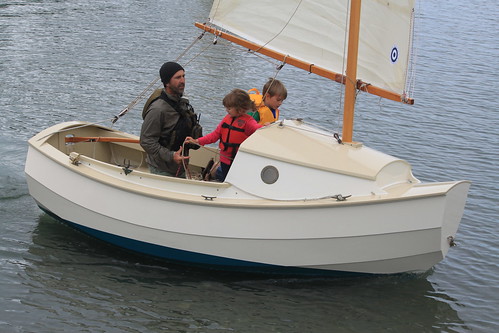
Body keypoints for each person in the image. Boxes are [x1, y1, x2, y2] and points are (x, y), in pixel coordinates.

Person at [185, 89, 263, 182]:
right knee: (226, 180)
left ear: (240, 109)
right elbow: (214, 136)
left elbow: (259, 130)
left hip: (238, 161)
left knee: (235, 181)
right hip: (225, 160)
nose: (226, 110)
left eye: (229, 108)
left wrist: (266, 127)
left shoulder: (249, 122)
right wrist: (197, 141)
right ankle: (214, 176)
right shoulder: (226, 119)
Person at [140, 61, 202, 177]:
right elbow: (146, 140)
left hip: (180, 167)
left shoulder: (181, 103)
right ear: (167, 82)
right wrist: (171, 156)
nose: (182, 81)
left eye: (184, 76)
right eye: (178, 77)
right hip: (161, 170)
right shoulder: (158, 110)